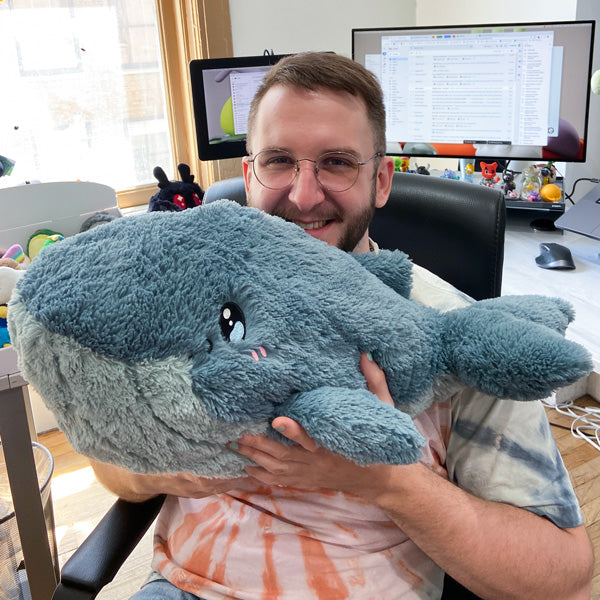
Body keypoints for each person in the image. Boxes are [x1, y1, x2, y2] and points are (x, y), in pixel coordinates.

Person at [91, 52, 593, 599]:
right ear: (249, 175)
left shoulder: (454, 336)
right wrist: (179, 467)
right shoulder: (188, 296)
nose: (304, 195)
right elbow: (109, 463)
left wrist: (387, 482)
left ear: (380, 180)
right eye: (279, 160)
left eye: (336, 162)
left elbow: (560, 573)